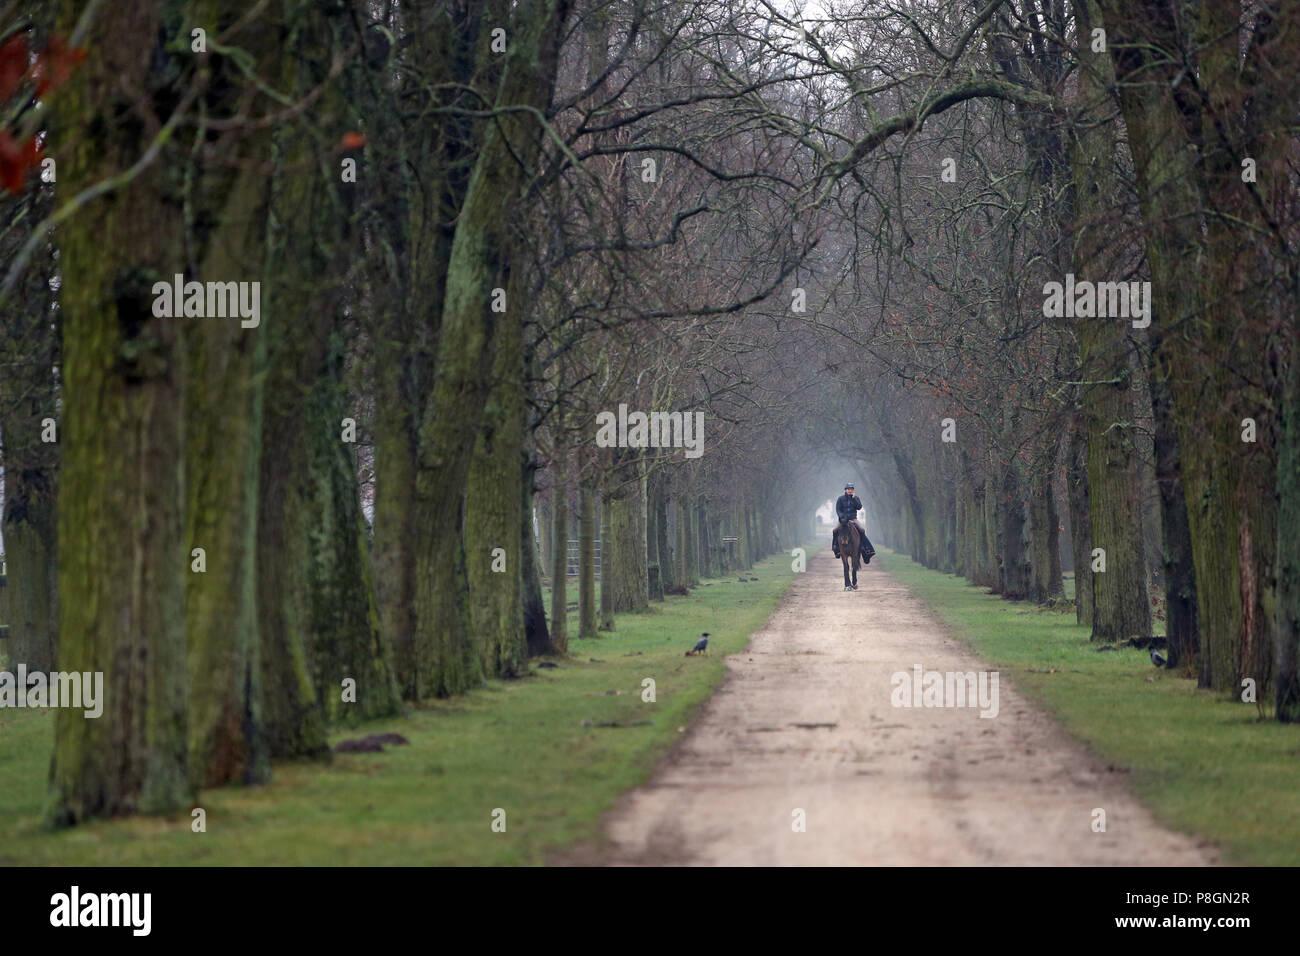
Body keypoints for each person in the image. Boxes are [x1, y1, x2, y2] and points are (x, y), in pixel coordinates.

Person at [831, 482, 875, 563]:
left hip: (853, 519)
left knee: (862, 530)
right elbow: (838, 509)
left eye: (851, 489)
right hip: (843, 520)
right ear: (845, 490)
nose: (849, 491)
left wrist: (854, 499)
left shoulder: (856, 498)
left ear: (853, 490)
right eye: (848, 489)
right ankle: (835, 547)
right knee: (835, 530)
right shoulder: (840, 499)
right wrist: (842, 517)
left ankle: (864, 548)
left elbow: (859, 507)